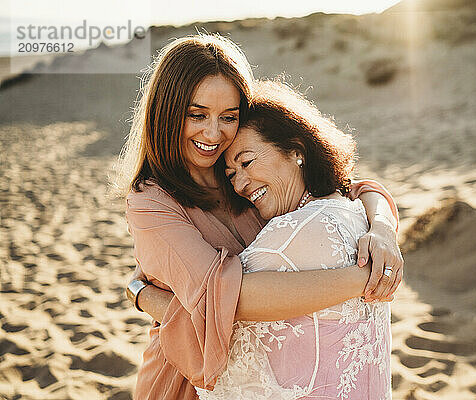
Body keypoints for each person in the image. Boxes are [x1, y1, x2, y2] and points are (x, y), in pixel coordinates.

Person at [117, 34, 403, 400]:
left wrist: (382, 228)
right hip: (187, 379)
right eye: (197, 114)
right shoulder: (151, 203)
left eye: (229, 117)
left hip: (269, 376)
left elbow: (351, 188)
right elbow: (228, 297)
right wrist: (366, 279)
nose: (213, 133)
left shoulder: (240, 172)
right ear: (168, 112)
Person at [190, 79, 392, 399]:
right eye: (230, 175)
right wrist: (382, 224)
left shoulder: (285, 240)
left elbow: (208, 307)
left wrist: (139, 291)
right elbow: (360, 187)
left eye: (246, 162)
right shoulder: (353, 212)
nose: (241, 183)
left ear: (295, 151)